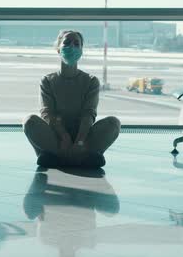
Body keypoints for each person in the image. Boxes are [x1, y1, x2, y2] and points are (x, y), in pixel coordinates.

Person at [23, 30, 121, 168]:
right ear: (58, 48)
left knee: (113, 124)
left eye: (77, 44)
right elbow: (47, 113)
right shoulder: (47, 81)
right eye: (67, 42)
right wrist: (64, 137)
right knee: (29, 122)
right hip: (56, 138)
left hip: (83, 138)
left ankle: (57, 157)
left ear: (81, 50)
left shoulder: (90, 81)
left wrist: (79, 141)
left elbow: (88, 114)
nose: (72, 47)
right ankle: (81, 158)